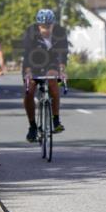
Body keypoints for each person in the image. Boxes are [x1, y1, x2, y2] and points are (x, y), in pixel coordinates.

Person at [22, 9, 68, 142]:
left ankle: (56, 120)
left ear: (53, 24)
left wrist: (62, 69)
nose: (45, 29)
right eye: (42, 26)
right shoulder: (31, 32)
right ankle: (32, 126)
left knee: (53, 80)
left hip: (51, 62)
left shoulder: (60, 32)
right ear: (38, 25)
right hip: (33, 63)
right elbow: (27, 53)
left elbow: (62, 53)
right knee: (29, 92)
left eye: (48, 26)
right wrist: (29, 72)